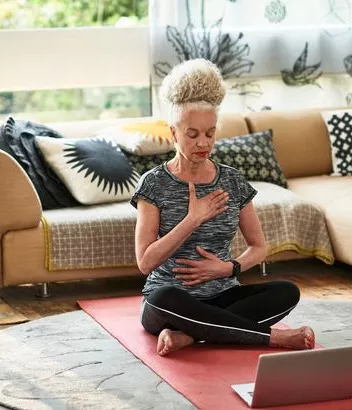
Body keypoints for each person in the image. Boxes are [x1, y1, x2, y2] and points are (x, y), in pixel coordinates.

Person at [131, 59, 315, 356]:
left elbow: (259, 247)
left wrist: (228, 268)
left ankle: (190, 336)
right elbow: (145, 262)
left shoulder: (232, 181)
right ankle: (273, 339)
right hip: (170, 302)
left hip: (222, 295)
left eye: (210, 133)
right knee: (162, 298)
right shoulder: (153, 183)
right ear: (174, 133)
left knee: (287, 292)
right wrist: (192, 219)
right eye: (192, 134)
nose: (203, 143)